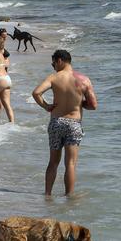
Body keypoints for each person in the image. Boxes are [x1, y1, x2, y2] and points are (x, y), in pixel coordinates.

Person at [32, 50, 98, 196]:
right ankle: (69, 197)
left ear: (60, 60)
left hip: (56, 122)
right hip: (74, 123)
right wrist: (79, 104)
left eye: (53, 63)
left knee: (53, 162)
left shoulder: (54, 77)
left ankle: (47, 195)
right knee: (71, 164)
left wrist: (46, 106)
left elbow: (36, 93)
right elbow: (93, 105)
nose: (53, 66)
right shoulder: (84, 80)